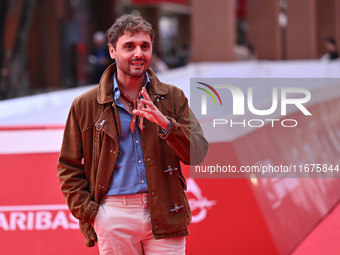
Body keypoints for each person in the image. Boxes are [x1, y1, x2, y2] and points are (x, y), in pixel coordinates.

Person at [57, 14, 208, 255]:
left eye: (145, 46)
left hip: (166, 210)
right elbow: (68, 166)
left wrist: (166, 125)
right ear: (112, 51)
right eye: (129, 46)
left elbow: (198, 153)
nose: (139, 53)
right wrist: (93, 215)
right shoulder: (85, 105)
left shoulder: (173, 98)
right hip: (114, 215)